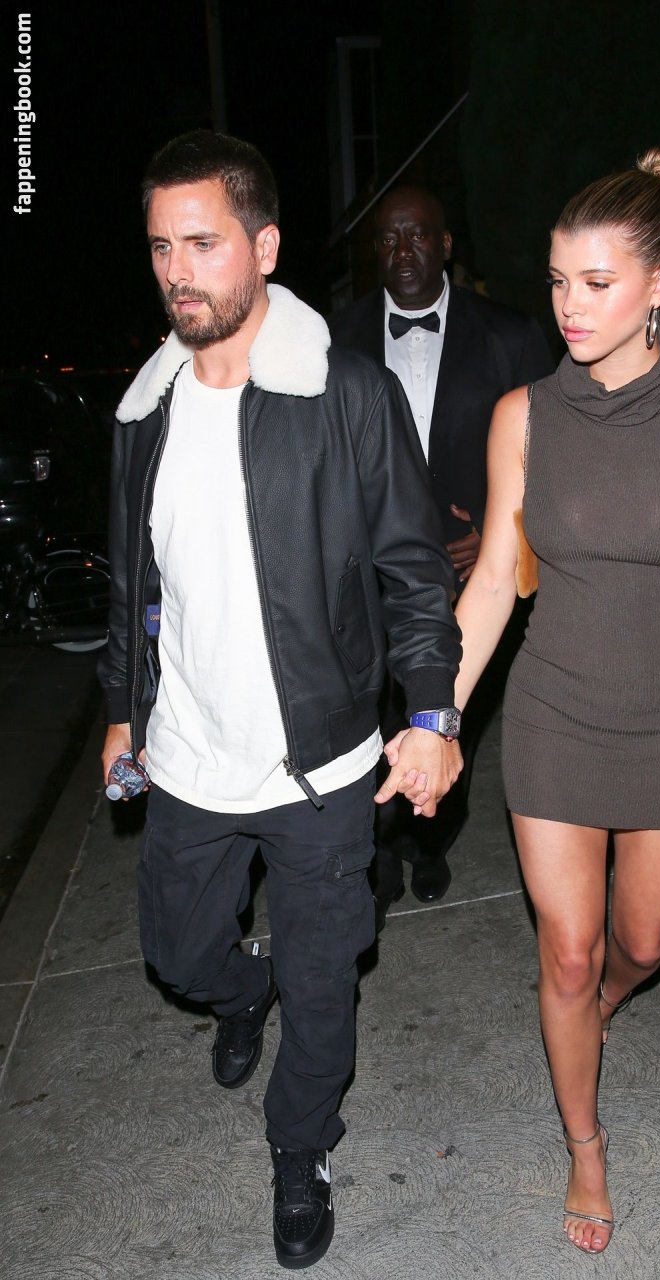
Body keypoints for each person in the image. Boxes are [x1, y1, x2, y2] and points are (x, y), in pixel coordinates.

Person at [387, 149, 660, 1254]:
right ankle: (584, 1142)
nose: (569, 306)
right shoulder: (525, 415)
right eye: (558, 281)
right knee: (567, 950)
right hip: (553, 716)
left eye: (596, 283)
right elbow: (491, 586)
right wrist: (435, 716)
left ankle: (599, 1008)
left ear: (659, 284)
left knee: (638, 945)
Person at [98, 130, 463, 1271]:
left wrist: (432, 714)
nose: (178, 270)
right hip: (187, 757)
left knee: (324, 983)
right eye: (161, 246)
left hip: (323, 763)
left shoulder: (344, 394)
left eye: (202, 243)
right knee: (178, 956)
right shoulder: (143, 412)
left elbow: (414, 575)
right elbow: (130, 585)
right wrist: (122, 708)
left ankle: (299, 1151)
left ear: (262, 247)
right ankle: (237, 988)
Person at [329, 184, 552, 919]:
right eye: (388, 239)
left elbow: (549, 456)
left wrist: (496, 530)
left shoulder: (510, 335)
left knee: (453, 707)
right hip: (364, 570)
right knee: (371, 710)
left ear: (446, 244)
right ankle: (379, 846)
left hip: (469, 571)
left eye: (417, 235)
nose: (402, 251)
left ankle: (432, 839)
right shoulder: (336, 336)